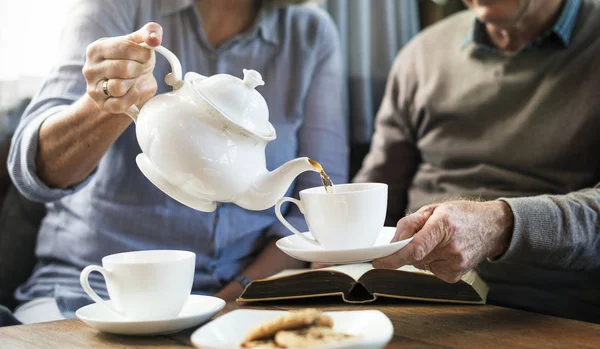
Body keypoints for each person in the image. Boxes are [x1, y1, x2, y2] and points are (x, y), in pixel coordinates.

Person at [7, 0, 347, 323]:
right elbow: (34, 172)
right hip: (94, 292)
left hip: (244, 301)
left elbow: (312, 205)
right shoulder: (120, 8)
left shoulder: (310, 34)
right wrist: (109, 103)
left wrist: (240, 290)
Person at [356, 0, 600, 323]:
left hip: (549, 318)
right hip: (400, 306)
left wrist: (500, 225)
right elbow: (375, 189)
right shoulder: (421, 54)